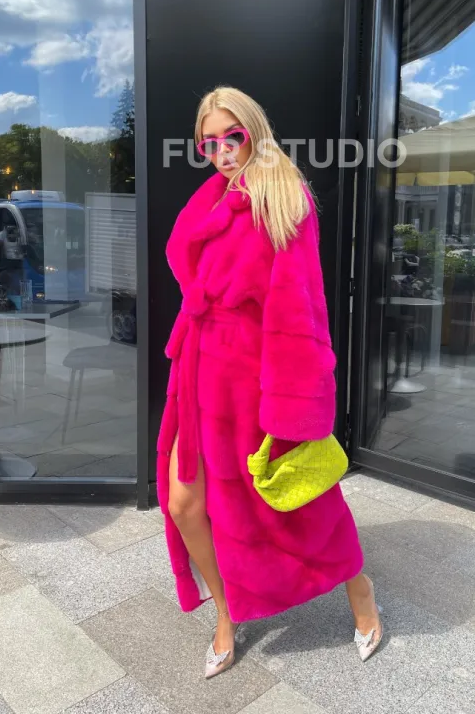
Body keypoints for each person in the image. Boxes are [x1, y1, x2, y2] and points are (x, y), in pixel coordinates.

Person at [156, 87, 383, 679]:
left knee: (297, 500)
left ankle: (359, 588)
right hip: (200, 373)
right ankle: (226, 610)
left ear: (253, 132)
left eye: (232, 136)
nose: (222, 151)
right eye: (209, 143)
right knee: (184, 503)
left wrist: (291, 405)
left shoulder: (283, 196)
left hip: (254, 377)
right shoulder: (209, 200)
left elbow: (298, 307)